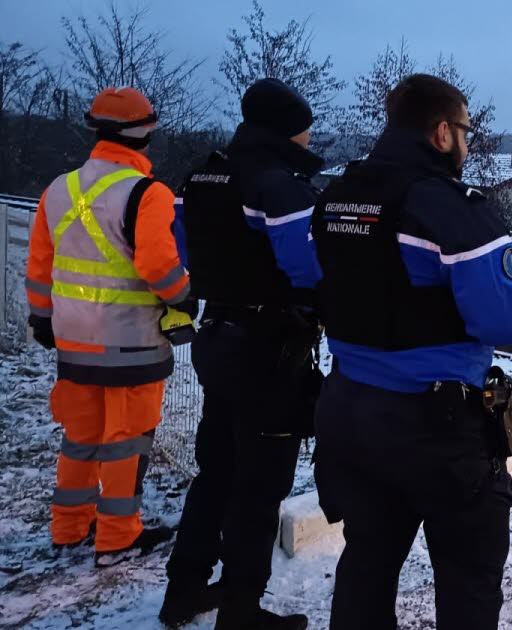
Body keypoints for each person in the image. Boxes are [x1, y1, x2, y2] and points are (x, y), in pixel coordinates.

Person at [312, 74, 512, 629]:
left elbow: (309, 276)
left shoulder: (337, 196)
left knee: (367, 561)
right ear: (442, 132)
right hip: (435, 430)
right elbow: (508, 318)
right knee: (467, 580)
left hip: (349, 413)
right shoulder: (450, 208)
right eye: (465, 130)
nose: (467, 142)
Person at [159, 78, 323, 630]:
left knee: (217, 471)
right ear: (286, 129)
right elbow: (308, 268)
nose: (309, 139)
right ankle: (241, 610)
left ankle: (183, 590)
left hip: (218, 336)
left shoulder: (203, 175)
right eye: (305, 129)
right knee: (260, 486)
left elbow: (182, 246)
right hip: (268, 348)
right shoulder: (278, 184)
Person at [24, 87, 193, 567]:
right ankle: (117, 537)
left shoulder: (58, 189)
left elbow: (40, 267)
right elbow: (160, 268)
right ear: (146, 132)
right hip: (130, 344)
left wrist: (42, 318)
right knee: (127, 440)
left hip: (73, 339)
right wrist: (184, 297)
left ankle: (69, 526)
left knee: (80, 435)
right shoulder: (147, 193)